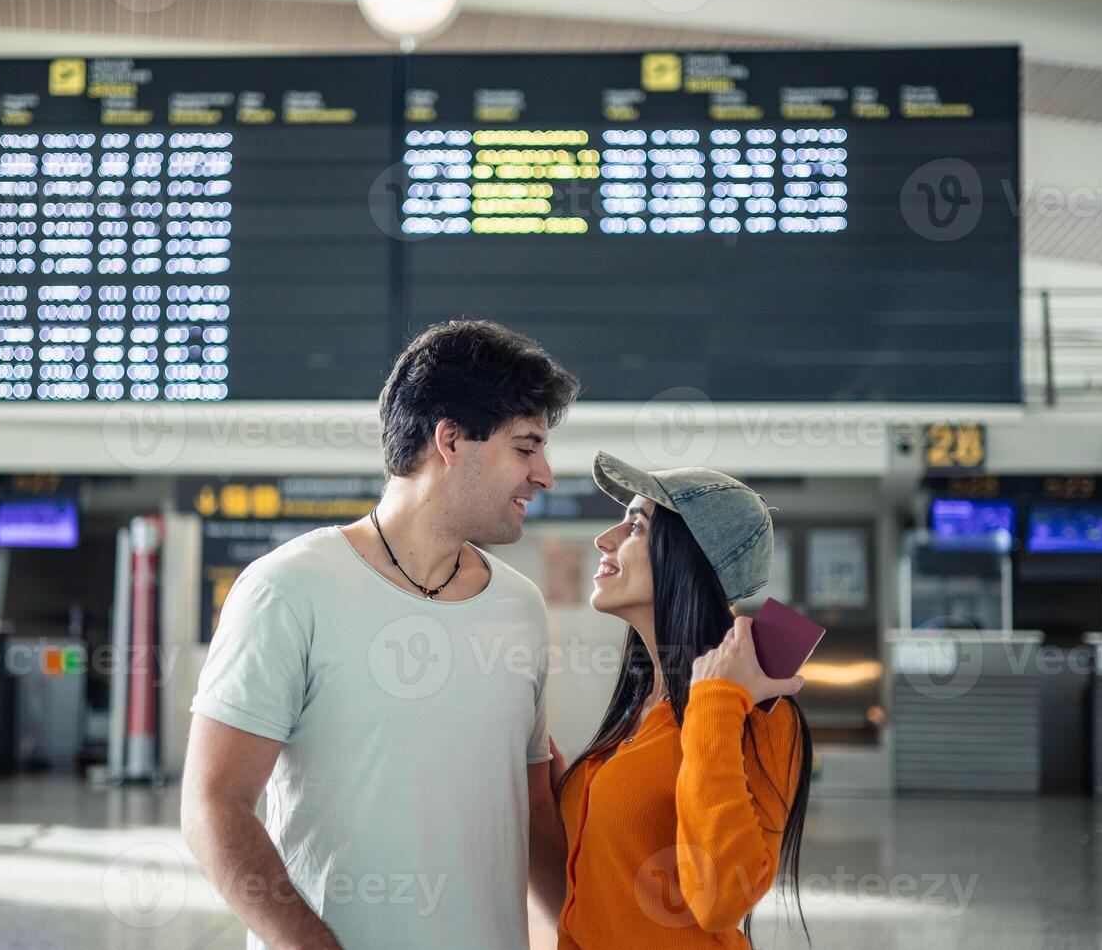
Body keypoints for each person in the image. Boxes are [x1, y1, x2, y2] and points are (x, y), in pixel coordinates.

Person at [181, 319, 580, 949]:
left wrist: (592, 935)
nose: (545, 475)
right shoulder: (286, 589)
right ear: (450, 439)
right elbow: (215, 804)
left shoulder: (519, 607)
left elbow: (531, 812)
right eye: (525, 449)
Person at [551, 451, 812, 949]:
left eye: (635, 527)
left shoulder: (761, 715)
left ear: (689, 556)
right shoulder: (640, 707)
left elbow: (719, 900)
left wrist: (717, 701)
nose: (604, 539)